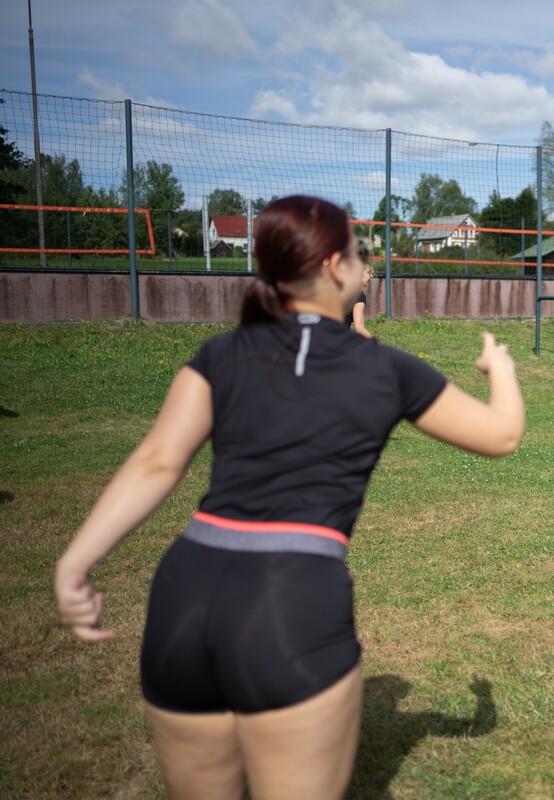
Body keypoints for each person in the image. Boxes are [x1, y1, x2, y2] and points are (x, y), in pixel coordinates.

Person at [55, 195, 525, 799]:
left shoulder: (221, 354)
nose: (364, 265)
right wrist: (499, 367)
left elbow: (156, 462)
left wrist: (75, 561)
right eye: (358, 253)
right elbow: (503, 434)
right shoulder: (385, 367)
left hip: (182, 597)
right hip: (291, 603)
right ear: (334, 267)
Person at [345, 237, 373, 338]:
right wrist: (378, 346)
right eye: (369, 273)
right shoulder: (358, 296)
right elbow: (359, 328)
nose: (371, 276)